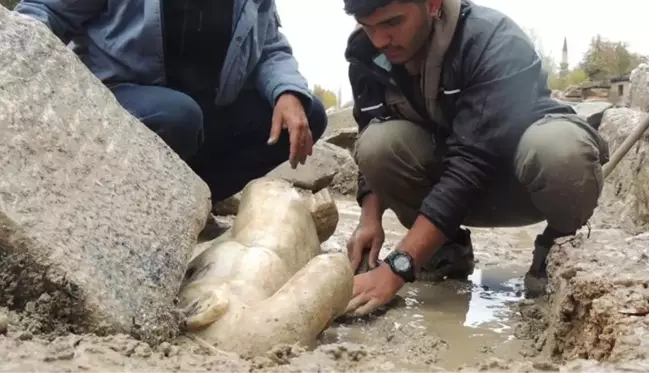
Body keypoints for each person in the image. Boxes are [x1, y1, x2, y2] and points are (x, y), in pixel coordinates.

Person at [342, 0, 609, 316]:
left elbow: (471, 164)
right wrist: (369, 219)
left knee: (563, 151)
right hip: (451, 184)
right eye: (368, 26)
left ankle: (555, 250)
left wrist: (397, 267)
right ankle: (445, 250)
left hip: (520, 183)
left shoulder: (494, 41)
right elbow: (369, 126)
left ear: (432, 4)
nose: (380, 40)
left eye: (392, 23)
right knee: (376, 144)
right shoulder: (366, 56)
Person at [14, 0, 327, 203]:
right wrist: (17, 61)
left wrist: (287, 92)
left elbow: (270, 49)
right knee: (178, 115)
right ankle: (120, 203)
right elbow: (47, 10)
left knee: (309, 113)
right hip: (121, 98)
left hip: (203, 113)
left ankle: (194, 203)